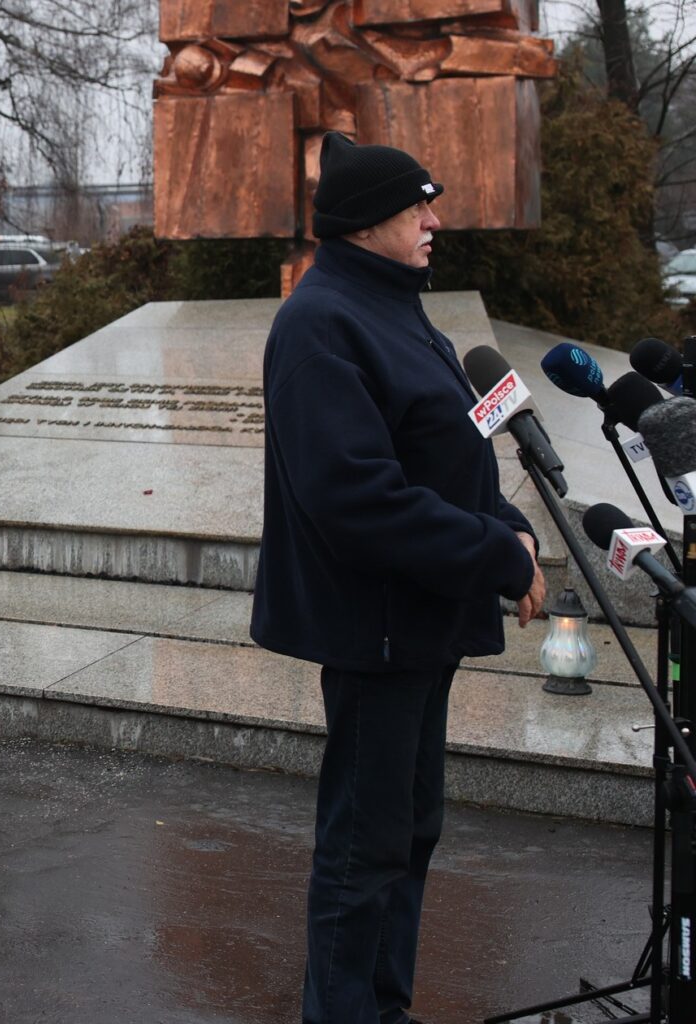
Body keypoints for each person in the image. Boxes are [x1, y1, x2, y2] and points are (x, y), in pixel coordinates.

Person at [250, 131, 546, 1024]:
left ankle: (381, 1005)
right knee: (366, 845)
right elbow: (358, 499)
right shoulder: (321, 324)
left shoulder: (393, 305)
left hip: (419, 621)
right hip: (374, 626)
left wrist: (511, 524)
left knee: (408, 831)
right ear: (367, 222)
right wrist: (495, 556)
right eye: (419, 206)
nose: (436, 220)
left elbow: (441, 448)